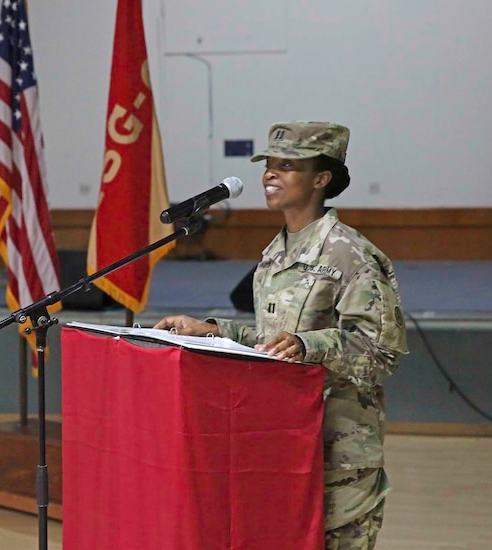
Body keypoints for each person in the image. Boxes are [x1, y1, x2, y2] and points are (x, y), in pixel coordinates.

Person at [154, 121, 408, 549]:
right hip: (280, 443)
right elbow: (273, 342)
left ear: (321, 179)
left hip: (337, 453)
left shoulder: (351, 253)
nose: (269, 175)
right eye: (268, 166)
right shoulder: (274, 255)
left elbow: (382, 351)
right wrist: (214, 331)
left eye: (286, 165)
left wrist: (312, 345)